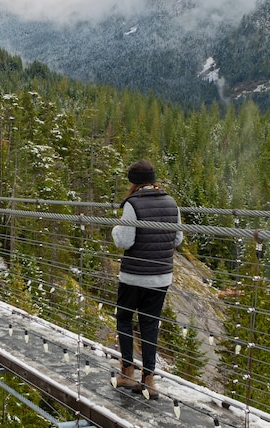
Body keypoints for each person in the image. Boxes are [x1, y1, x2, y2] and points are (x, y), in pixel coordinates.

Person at [110, 159, 182, 400]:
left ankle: (127, 373)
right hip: (161, 277)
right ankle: (149, 380)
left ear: (133, 182)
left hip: (134, 277)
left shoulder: (132, 205)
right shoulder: (172, 203)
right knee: (150, 325)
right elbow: (177, 240)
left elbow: (124, 241)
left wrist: (116, 227)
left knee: (124, 319)